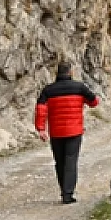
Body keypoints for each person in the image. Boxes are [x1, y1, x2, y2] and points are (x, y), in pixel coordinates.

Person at [35, 62, 100, 204]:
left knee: (59, 162)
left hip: (56, 132)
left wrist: (41, 129)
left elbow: (41, 108)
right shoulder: (79, 87)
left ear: (57, 73)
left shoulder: (48, 90)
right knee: (71, 161)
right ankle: (67, 194)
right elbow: (94, 102)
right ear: (70, 72)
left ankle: (63, 189)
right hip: (74, 131)